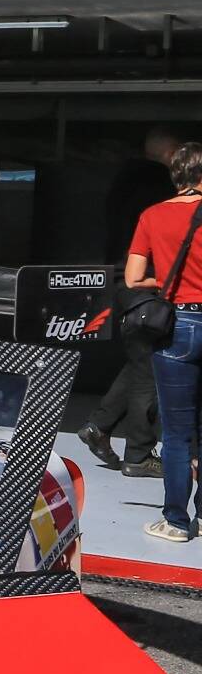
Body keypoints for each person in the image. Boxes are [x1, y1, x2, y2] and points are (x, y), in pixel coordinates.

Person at [81, 127, 182, 476]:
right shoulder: (159, 190)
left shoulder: (124, 184)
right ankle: (139, 453)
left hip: (123, 277)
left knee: (142, 360)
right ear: (170, 156)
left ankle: (100, 426)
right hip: (145, 282)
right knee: (150, 371)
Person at [125, 141, 202, 542]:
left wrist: (167, 281)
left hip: (181, 323)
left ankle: (175, 521)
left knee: (176, 433)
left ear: (176, 176)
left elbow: (134, 279)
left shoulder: (153, 216)